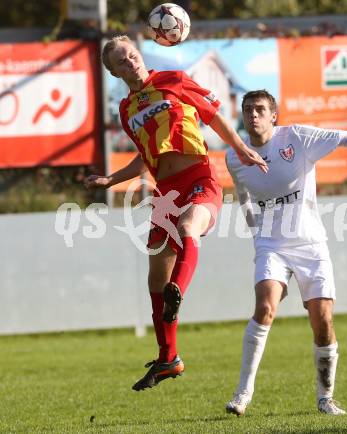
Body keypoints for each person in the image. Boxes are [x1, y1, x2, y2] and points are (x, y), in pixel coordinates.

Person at [85, 36, 267, 392]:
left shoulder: (173, 80)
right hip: (165, 192)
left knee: (189, 227)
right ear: (114, 71)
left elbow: (213, 116)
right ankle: (169, 358)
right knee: (154, 277)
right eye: (122, 62)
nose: (131, 63)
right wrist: (111, 179)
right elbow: (143, 157)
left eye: (133, 55)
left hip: (199, 175)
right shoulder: (126, 110)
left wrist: (241, 148)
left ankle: (176, 293)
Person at [225, 90, 347, 416]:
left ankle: (325, 398)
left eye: (260, 109)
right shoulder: (235, 155)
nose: (253, 115)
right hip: (271, 245)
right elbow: (243, 197)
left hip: (310, 244)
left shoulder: (296, 137)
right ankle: (242, 394)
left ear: (273, 116)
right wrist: (256, 234)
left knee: (322, 321)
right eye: (248, 109)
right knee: (264, 307)